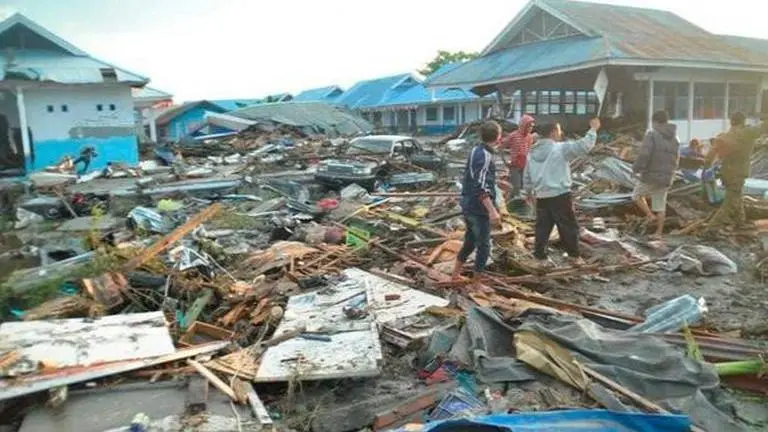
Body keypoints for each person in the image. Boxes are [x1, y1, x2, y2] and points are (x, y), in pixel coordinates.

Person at [523, 118, 601, 264]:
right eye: (559, 130)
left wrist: (528, 192)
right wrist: (593, 130)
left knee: (542, 228)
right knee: (568, 226)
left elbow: (526, 176)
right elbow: (583, 146)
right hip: (560, 194)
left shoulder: (532, 152)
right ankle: (573, 256)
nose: (561, 133)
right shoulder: (559, 148)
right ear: (553, 132)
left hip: (541, 195)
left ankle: (540, 257)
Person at [452, 121, 503, 282]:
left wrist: (497, 183)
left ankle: (455, 275)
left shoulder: (476, 150)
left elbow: (476, 176)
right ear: (498, 137)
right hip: (478, 208)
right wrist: (492, 211)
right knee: (484, 246)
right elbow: (480, 185)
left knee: (470, 241)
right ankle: (476, 284)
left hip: (468, 203)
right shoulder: (485, 156)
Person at [703, 112, 765, 230]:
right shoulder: (746, 133)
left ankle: (740, 222)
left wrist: (706, 168)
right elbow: (762, 127)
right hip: (738, 174)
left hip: (726, 173)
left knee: (737, 197)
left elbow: (711, 154)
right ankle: (711, 229)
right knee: (730, 203)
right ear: (743, 122)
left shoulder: (724, 136)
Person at [632, 110, 680, 240]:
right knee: (660, 204)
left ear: (655, 121)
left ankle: (649, 215)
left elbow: (644, 155)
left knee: (636, 195)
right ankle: (658, 233)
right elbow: (677, 159)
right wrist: (671, 172)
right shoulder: (675, 138)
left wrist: (636, 168)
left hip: (651, 175)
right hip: (667, 177)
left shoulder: (652, 134)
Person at [502, 114, 536, 198]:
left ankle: (522, 203)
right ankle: (513, 203)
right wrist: (505, 160)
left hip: (525, 165)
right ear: (523, 126)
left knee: (525, 186)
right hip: (515, 165)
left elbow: (530, 150)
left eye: (532, 126)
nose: (531, 128)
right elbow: (500, 147)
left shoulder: (529, 137)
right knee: (515, 187)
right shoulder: (513, 135)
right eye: (529, 126)